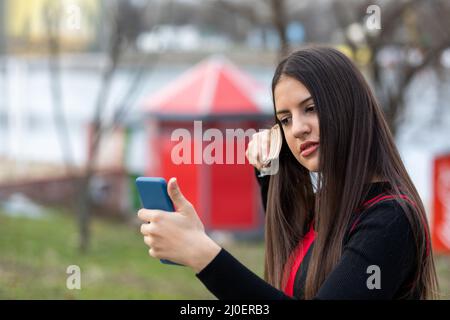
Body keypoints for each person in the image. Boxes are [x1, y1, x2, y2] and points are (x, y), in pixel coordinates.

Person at [137, 47, 439, 300]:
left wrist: (202, 254)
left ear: (349, 107)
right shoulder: (322, 207)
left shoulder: (390, 219)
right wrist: (269, 171)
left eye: (311, 108)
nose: (298, 128)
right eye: (284, 119)